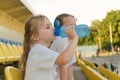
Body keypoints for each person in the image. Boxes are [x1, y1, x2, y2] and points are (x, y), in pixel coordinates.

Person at [19, 14, 78, 80]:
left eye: (51, 25)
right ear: (36, 36)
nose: (53, 28)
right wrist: (74, 38)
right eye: (48, 27)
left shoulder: (42, 51)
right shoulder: (38, 50)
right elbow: (64, 60)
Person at [50, 13, 77, 80]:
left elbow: (70, 65)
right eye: (71, 25)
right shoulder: (61, 39)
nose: (74, 28)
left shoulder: (70, 41)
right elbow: (62, 66)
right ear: (59, 27)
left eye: (75, 25)